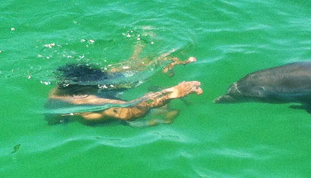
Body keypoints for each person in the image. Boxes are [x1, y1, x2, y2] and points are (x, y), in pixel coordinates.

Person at [46, 49, 202, 126]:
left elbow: (118, 75)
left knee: (126, 73)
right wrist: (171, 93)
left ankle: (156, 57)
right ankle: (159, 114)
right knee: (132, 115)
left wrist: (164, 60)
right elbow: (129, 110)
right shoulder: (86, 105)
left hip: (68, 106)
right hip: (77, 114)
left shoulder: (63, 88)